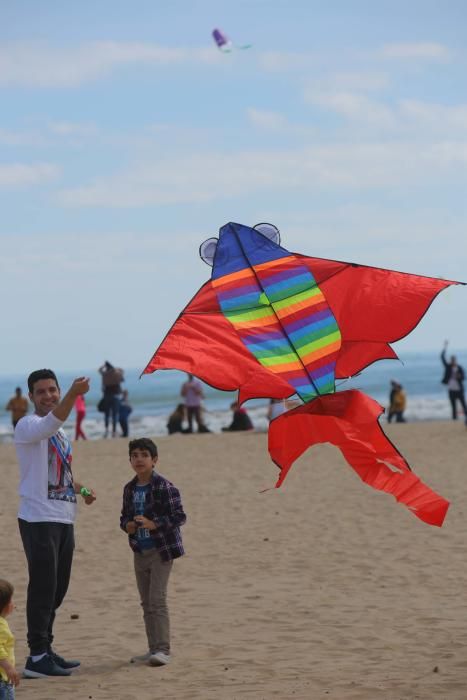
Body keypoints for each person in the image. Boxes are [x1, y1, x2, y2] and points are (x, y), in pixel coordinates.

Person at [14, 369, 96, 679]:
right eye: (41, 392)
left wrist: (84, 491)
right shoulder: (29, 425)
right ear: (32, 397)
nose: (48, 395)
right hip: (37, 518)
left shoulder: (61, 435)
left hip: (63, 517)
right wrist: (74, 395)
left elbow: (62, 476)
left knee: (58, 590)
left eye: (53, 390)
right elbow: (52, 421)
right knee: (43, 588)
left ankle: (46, 649)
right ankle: (36, 656)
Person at [120, 438, 186, 667]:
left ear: (154, 460)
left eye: (144, 455)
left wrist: (153, 523)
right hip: (139, 550)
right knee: (146, 602)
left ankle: (163, 650)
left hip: (161, 550)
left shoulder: (164, 486)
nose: (139, 459)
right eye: (134, 455)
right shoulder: (129, 488)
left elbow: (179, 516)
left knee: (157, 600)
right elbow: (124, 518)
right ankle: (152, 649)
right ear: (130, 460)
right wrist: (127, 525)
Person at [0, 580, 20, 699]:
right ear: (6, 606)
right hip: (2, 679)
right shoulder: (1, 626)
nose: (14, 604)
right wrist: (8, 667)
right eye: (11, 600)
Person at [441, 341, 467, 423]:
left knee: (463, 405)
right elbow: (442, 357)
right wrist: (445, 347)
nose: (452, 361)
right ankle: (454, 420)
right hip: (451, 390)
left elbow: (463, 377)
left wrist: (459, 376)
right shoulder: (448, 367)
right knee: (453, 406)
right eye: (451, 360)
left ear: (455, 360)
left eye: (453, 360)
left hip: (459, 390)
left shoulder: (459, 368)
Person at [98, 361, 124, 438]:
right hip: (116, 396)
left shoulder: (105, 374)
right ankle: (114, 432)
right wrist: (115, 368)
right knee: (115, 414)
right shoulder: (117, 373)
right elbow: (122, 372)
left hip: (107, 396)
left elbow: (99, 370)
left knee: (106, 414)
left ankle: (106, 431)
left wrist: (103, 366)